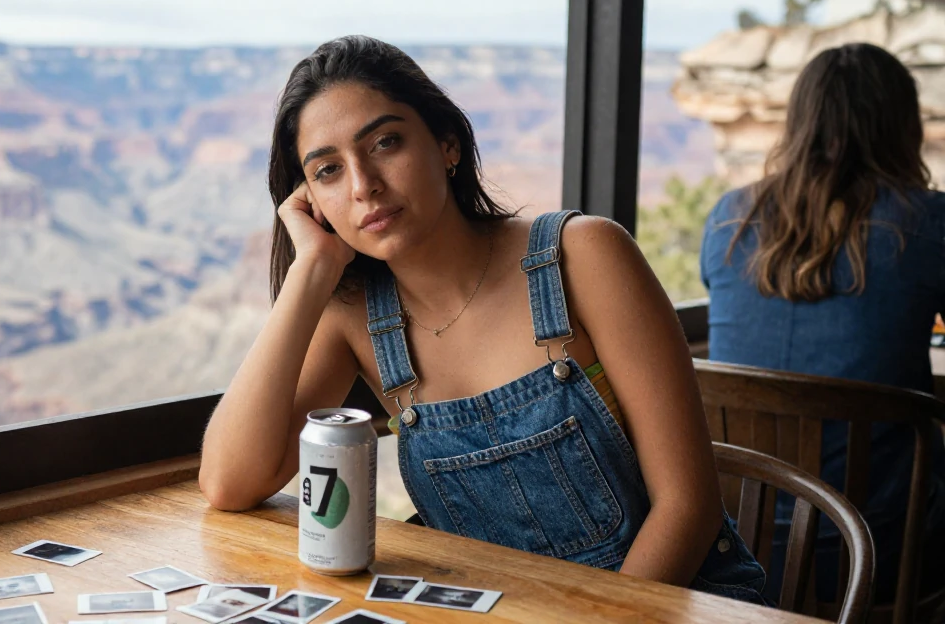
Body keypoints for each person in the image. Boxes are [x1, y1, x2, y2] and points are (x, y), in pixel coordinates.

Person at [201, 35, 766, 603]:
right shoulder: (353, 316)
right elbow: (230, 482)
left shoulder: (584, 256)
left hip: (664, 605)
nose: (362, 185)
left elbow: (688, 508)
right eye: (327, 171)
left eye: (385, 142)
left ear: (447, 145)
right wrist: (311, 272)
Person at [700, 42, 945, 604]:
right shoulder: (929, 224)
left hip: (738, 544)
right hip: (881, 551)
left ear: (800, 121)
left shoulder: (729, 219)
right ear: (901, 124)